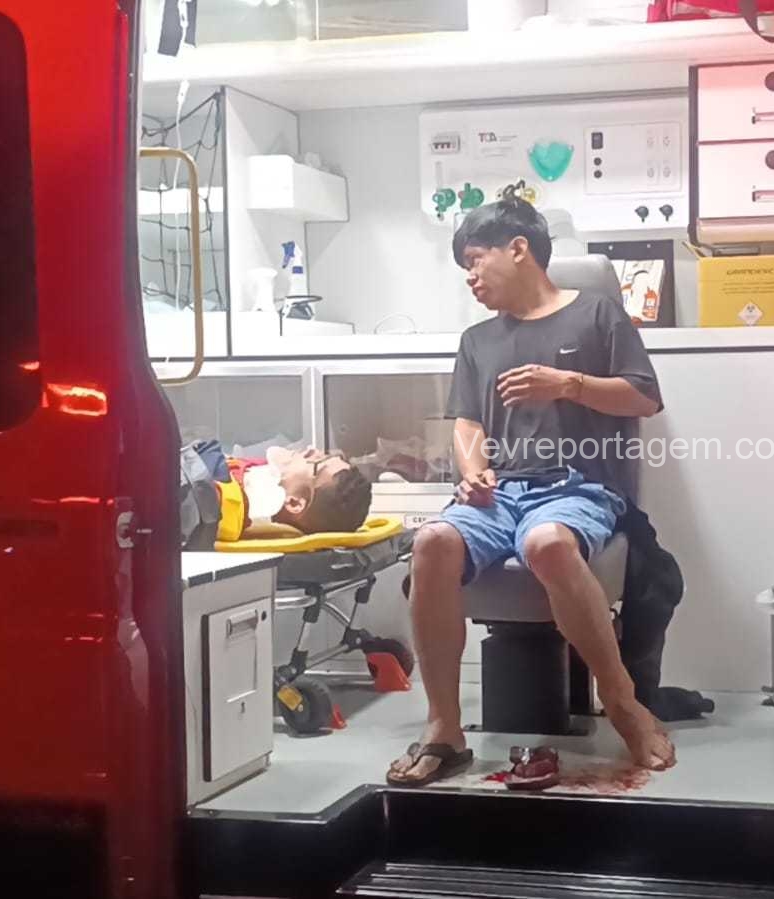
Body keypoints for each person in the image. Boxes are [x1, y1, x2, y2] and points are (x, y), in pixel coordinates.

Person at [388, 198, 676, 787]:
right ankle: (444, 727)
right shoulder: (477, 340)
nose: (470, 277)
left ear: (518, 248)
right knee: (431, 542)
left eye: (475, 259)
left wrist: (568, 384)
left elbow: (645, 398)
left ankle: (624, 704)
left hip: (578, 485)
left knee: (547, 543)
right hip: (500, 492)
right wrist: (472, 471)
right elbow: (468, 423)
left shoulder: (597, 314)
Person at [179, 440, 373, 548]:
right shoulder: (239, 477)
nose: (311, 449)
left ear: (294, 503)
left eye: (316, 462)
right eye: (326, 454)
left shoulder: (210, 498)